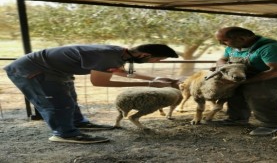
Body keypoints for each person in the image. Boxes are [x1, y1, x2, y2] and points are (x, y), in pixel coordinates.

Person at [4, 43, 179, 143]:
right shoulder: (107, 56)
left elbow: (120, 71)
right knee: (58, 103)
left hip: (55, 71)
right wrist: (150, 84)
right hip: (32, 71)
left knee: (70, 99)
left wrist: (155, 78)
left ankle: (78, 123)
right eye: (157, 59)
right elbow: (99, 82)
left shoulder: (121, 54)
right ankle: (64, 134)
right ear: (144, 54)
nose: (157, 61)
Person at [214, 26, 277, 136]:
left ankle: (272, 124)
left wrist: (245, 82)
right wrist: (223, 67)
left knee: (260, 94)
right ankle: (237, 119)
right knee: (234, 91)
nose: (221, 43)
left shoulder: (273, 48)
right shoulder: (233, 47)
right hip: (252, 73)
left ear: (241, 39)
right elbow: (222, 59)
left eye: (224, 40)